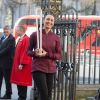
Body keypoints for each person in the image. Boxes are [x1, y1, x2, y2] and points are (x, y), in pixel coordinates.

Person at [27, 15, 62, 100]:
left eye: (51, 20)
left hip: (51, 69)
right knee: (44, 94)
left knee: (48, 96)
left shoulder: (56, 37)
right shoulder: (35, 35)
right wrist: (35, 53)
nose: (49, 21)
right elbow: (28, 51)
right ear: (43, 21)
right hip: (38, 67)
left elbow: (59, 55)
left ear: (53, 23)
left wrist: (46, 54)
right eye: (47, 19)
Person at [10, 26, 32, 100]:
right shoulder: (20, 39)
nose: (16, 32)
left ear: (21, 31)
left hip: (22, 65)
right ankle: (20, 97)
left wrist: (22, 64)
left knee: (22, 83)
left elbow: (25, 52)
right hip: (18, 65)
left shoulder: (26, 39)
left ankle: (22, 97)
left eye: (17, 31)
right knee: (19, 82)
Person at [0, 25, 15, 99]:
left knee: (7, 80)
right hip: (1, 62)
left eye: (7, 31)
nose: (6, 32)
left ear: (10, 30)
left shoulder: (12, 39)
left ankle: (8, 94)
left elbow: (7, 49)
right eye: (4, 31)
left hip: (7, 63)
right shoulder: (2, 38)